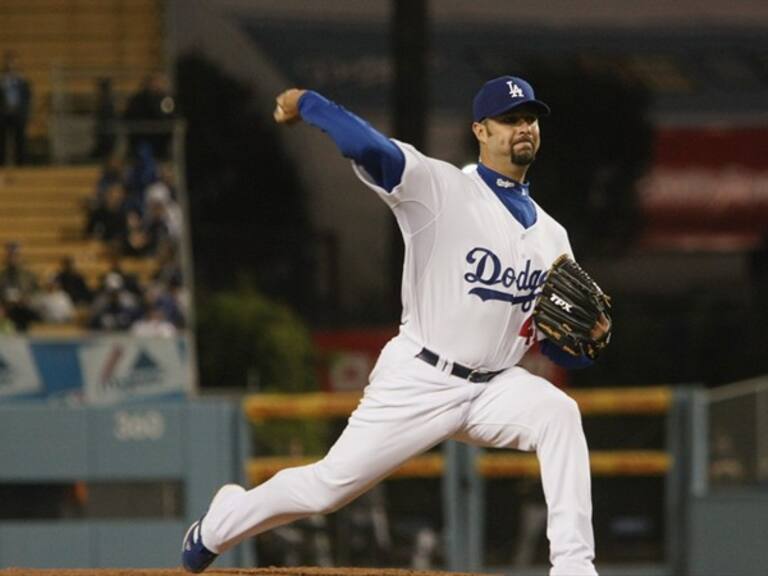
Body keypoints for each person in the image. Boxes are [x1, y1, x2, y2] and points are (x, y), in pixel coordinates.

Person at [182, 76, 605, 576]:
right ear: (480, 130)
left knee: (559, 415)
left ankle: (574, 567)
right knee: (328, 487)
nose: (523, 128)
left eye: (529, 119)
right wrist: (309, 104)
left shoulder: (553, 236)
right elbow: (369, 147)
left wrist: (589, 342)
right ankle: (219, 523)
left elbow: (555, 344)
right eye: (509, 120)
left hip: (495, 387)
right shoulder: (441, 188)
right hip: (421, 377)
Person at [0, 50, 31, 166]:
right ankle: (1, 164)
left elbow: (27, 98)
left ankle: (21, 165)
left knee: (20, 141)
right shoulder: (2, 80)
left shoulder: (22, 81)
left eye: (14, 62)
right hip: (3, 114)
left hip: (18, 114)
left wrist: (26, 113)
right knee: (2, 141)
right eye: (9, 62)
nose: (11, 65)